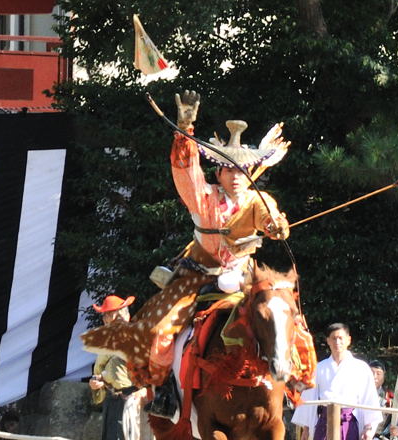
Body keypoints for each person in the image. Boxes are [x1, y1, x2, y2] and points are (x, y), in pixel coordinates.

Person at [80, 90, 315, 407]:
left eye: (241, 171)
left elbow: (272, 219)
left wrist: (276, 226)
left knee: (288, 318)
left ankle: (292, 384)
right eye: (229, 170)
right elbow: (185, 170)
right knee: (161, 333)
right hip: (198, 278)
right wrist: (185, 127)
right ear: (218, 172)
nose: (236, 178)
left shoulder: (258, 199)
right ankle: (165, 391)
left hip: (244, 278)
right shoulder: (203, 197)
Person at [86, 295, 144, 440]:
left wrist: (142, 391)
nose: (107, 317)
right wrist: (98, 382)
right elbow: (103, 372)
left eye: (109, 313)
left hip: (130, 400)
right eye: (107, 314)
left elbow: (147, 370)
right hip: (112, 400)